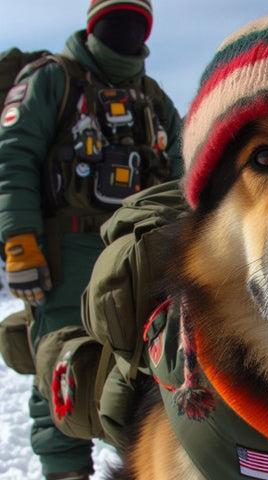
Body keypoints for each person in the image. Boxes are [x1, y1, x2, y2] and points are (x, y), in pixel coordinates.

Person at [0, 1, 183, 478]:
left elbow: (191, 177)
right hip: (66, 254)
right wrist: (19, 241)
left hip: (141, 257)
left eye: (136, 19)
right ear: (92, 24)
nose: (126, 29)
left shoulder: (154, 99)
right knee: (62, 372)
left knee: (148, 373)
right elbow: (13, 158)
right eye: (116, 18)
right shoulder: (52, 80)